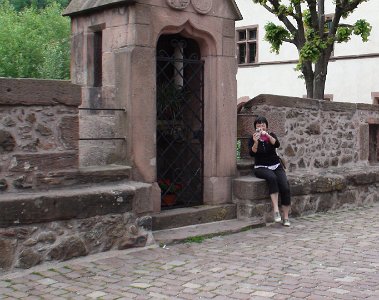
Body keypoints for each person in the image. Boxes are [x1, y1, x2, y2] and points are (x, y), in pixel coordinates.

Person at [248, 116, 291, 226]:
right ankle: (276, 210)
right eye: (258, 126)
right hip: (261, 167)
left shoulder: (271, 136)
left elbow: (276, 144)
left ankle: (286, 217)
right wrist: (256, 141)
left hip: (276, 165)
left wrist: (267, 135)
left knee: (285, 187)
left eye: (263, 125)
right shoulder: (252, 138)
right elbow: (252, 153)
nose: (261, 128)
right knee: (272, 178)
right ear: (255, 128)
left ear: (266, 127)